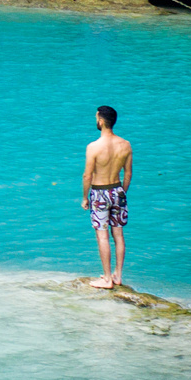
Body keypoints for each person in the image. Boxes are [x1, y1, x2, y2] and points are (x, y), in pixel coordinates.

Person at [81, 105, 132, 290]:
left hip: (100, 193)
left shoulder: (94, 147)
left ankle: (107, 279)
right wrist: (122, 193)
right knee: (118, 234)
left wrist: (85, 197)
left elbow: (87, 175)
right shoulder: (125, 144)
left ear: (101, 121)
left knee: (102, 236)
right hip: (118, 191)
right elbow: (128, 174)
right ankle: (118, 275)